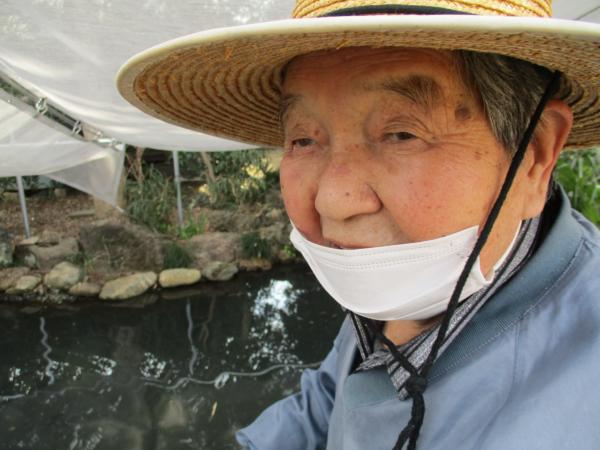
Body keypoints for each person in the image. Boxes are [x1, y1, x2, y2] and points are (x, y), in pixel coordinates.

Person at [117, 1, 600, 448]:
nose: (333, 200)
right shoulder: (412, 287)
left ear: (534, 157)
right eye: (303, 140)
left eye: (401, 134)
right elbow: (333, 398)